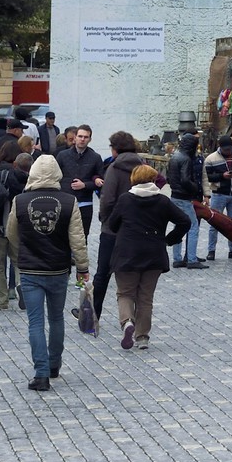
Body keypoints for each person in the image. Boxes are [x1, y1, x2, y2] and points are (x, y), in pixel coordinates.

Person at [6, 153, 89, 390]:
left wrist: (19, 256)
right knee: (56, 318)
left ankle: (40, 373)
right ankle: (54, 364)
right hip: (58, 269)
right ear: (57, 174)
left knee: (35, 322)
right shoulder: (69, 201)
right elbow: (77, 239)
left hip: (30, 270)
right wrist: (82, 268)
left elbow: (12, 234)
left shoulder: (20, 201)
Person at [107, 164, 191, 350]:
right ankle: (142, 336)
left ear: (134, 179)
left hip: (127, 253)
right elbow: (185, 221)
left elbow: (112, 225)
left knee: (125, 293)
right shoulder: (162, 201)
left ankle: (127, 322)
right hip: (154, 253)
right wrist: (169, 239)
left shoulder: (125, 200)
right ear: (153, 180)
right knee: (145, 297)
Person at [92, 131, 143, 323]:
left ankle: (94, 313)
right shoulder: (142, 166)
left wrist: (106, 220)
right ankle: (135, 316)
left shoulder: (114, 168)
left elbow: (107, 199)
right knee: (134, 275)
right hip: (137, 229)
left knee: (103, 273)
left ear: (115, 148)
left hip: (112, 229)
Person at [0, 144, 29, 310]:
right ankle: (21, 285)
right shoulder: (26, 176)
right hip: (19, 228)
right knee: (20, 263)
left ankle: (1, 300)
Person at [166, 132, 207, 269]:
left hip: (174, 196)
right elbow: (185, 179)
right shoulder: (185, 159)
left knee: (179, 225)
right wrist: (195, 188)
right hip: (183, 197)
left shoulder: (174, 157)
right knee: (193, 226)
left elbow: (168, 177)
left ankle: (177, 258)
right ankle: (191, 259)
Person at [203, 136, 232, 261]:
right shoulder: (211, 159)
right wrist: (222, 176)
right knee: (214, 223)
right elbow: (207, 177)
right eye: (225, 149)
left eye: (228, 149)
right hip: (219, 194)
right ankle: (211, 251)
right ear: (220, 147)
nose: (227, 151)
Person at [55, 124, 105, 235]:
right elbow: (55, 176)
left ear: (90, 139)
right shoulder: (62, 155)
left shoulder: (95, 157)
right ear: (75, 137)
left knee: (83, 236)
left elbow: (101, 181)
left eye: (86, 137)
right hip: (65, 201)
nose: (82, 139)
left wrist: (85, 185)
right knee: (63, 236)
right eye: (80, 136)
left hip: (85, 202)